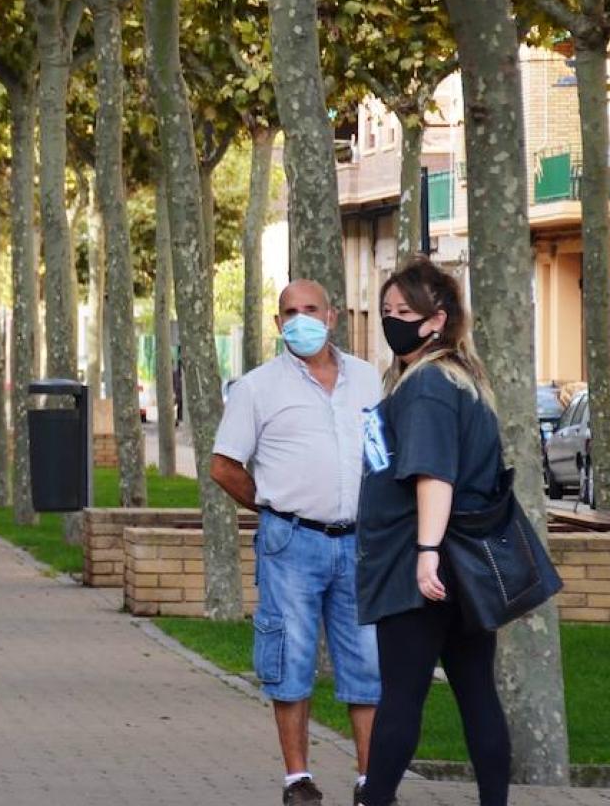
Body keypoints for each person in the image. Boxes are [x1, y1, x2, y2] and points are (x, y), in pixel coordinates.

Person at [212, 279, 382, 806]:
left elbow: (382, 455)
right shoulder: (257, 388)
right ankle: (297, 780)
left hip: (359, 543)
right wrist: (271, 505)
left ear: (332, 317)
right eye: (290, 312)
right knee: (290, 659)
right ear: (278, 323)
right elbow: (223, 465)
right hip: (291, 543)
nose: (301, 319)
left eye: (311, 309)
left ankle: (370, 780)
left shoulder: (368, 379)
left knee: (368, 664)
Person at [356, 258, 513, 806]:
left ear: (436, 320)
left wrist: (425, 554)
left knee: (401, 698)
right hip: (465, 569)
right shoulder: (462, 379)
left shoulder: (426, 387)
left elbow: (434, 475)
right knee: (476, 695)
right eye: (387, 311)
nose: (392, 320)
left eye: (405, 312)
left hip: (421, 568)